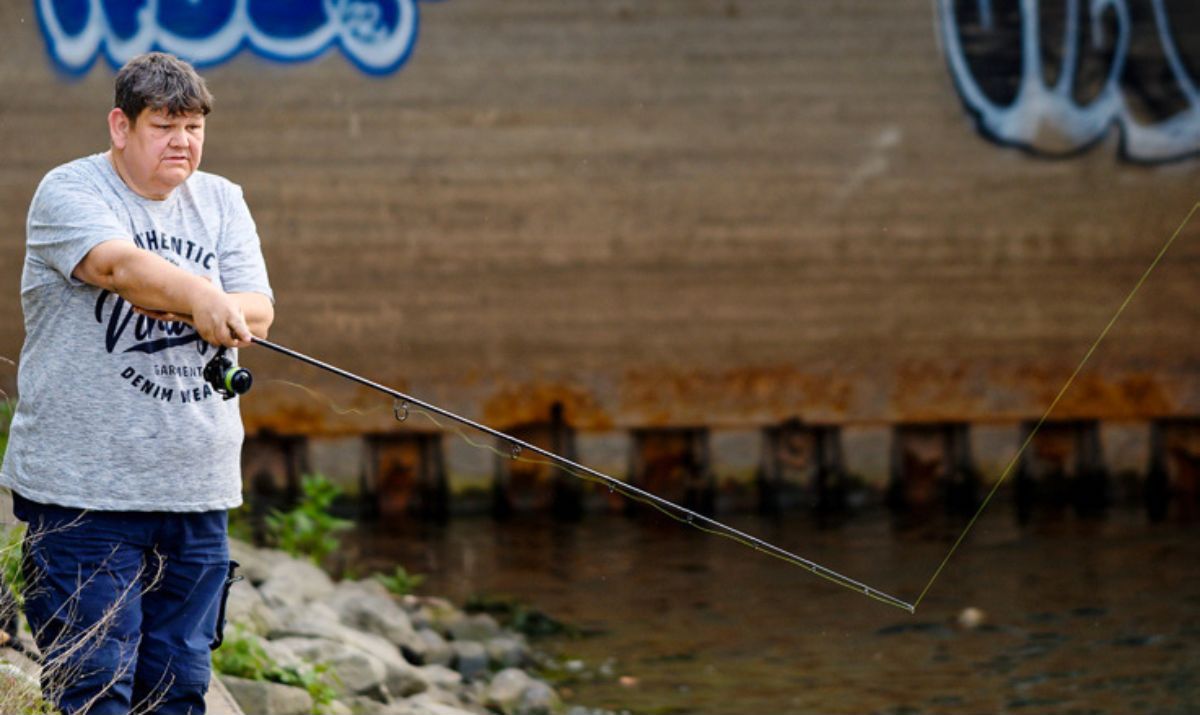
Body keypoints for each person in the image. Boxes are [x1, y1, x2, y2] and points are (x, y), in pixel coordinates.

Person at [0, 52, 274, 714]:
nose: (183, 142)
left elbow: (258, 310)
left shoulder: (222, 199)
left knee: (178, 685)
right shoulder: (71, 192)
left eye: (194, 127)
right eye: (165, 125)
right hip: (83, 497)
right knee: (94, 685)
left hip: (196, 491)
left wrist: (208, 303)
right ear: (120, 126)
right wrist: (198, 296)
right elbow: (118, 267)